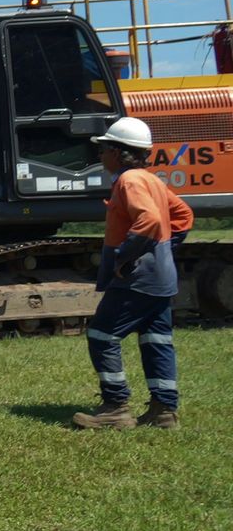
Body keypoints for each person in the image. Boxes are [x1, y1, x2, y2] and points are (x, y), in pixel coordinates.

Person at [73, 117, 193, 430]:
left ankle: (115, 407)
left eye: (104, 149)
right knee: (156, 340)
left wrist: (125, 256)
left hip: (137, 280)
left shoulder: (130, 181)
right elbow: (183, 215)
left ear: (118, 152)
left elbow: (150, 221)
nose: (100, 156)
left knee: (101, 335)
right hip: (160, 279)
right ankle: (163, 411)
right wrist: (163, 250)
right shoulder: (151, 180)